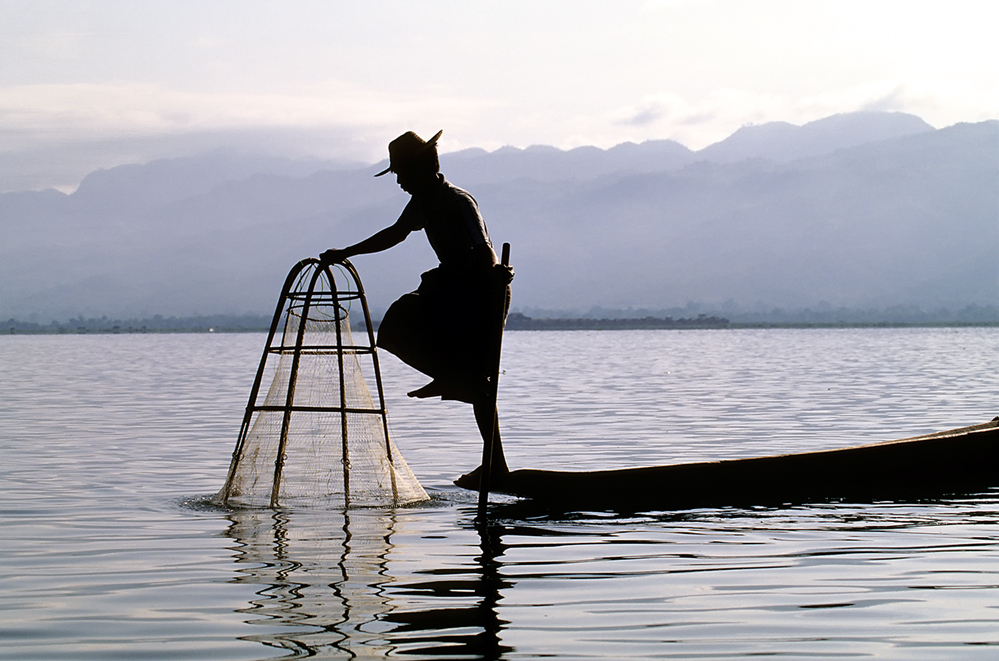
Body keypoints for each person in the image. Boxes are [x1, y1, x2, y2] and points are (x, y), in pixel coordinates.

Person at [319, 130, 513, 488]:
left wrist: (495, 277)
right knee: (398, 322)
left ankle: (494, 463)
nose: (398, 181)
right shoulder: (424, 202)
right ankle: (452, 374)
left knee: (481, 381)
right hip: (453, 290)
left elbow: (484, 252)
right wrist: (346, 252)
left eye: (401, 173)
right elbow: (394, 234)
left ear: (420, 169)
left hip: (481, 292)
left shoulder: (457, 202)